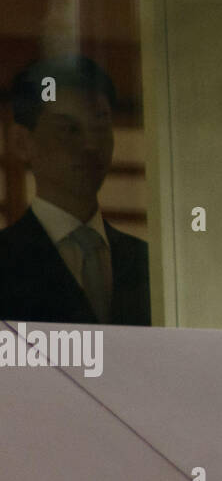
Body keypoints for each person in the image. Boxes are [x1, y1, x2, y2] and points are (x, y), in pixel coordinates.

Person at [0, 55, 151, 325]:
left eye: (100, 125)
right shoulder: (5, 258)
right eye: (69, 129)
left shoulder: (146, 261)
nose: (91, 145)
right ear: (22, 142)